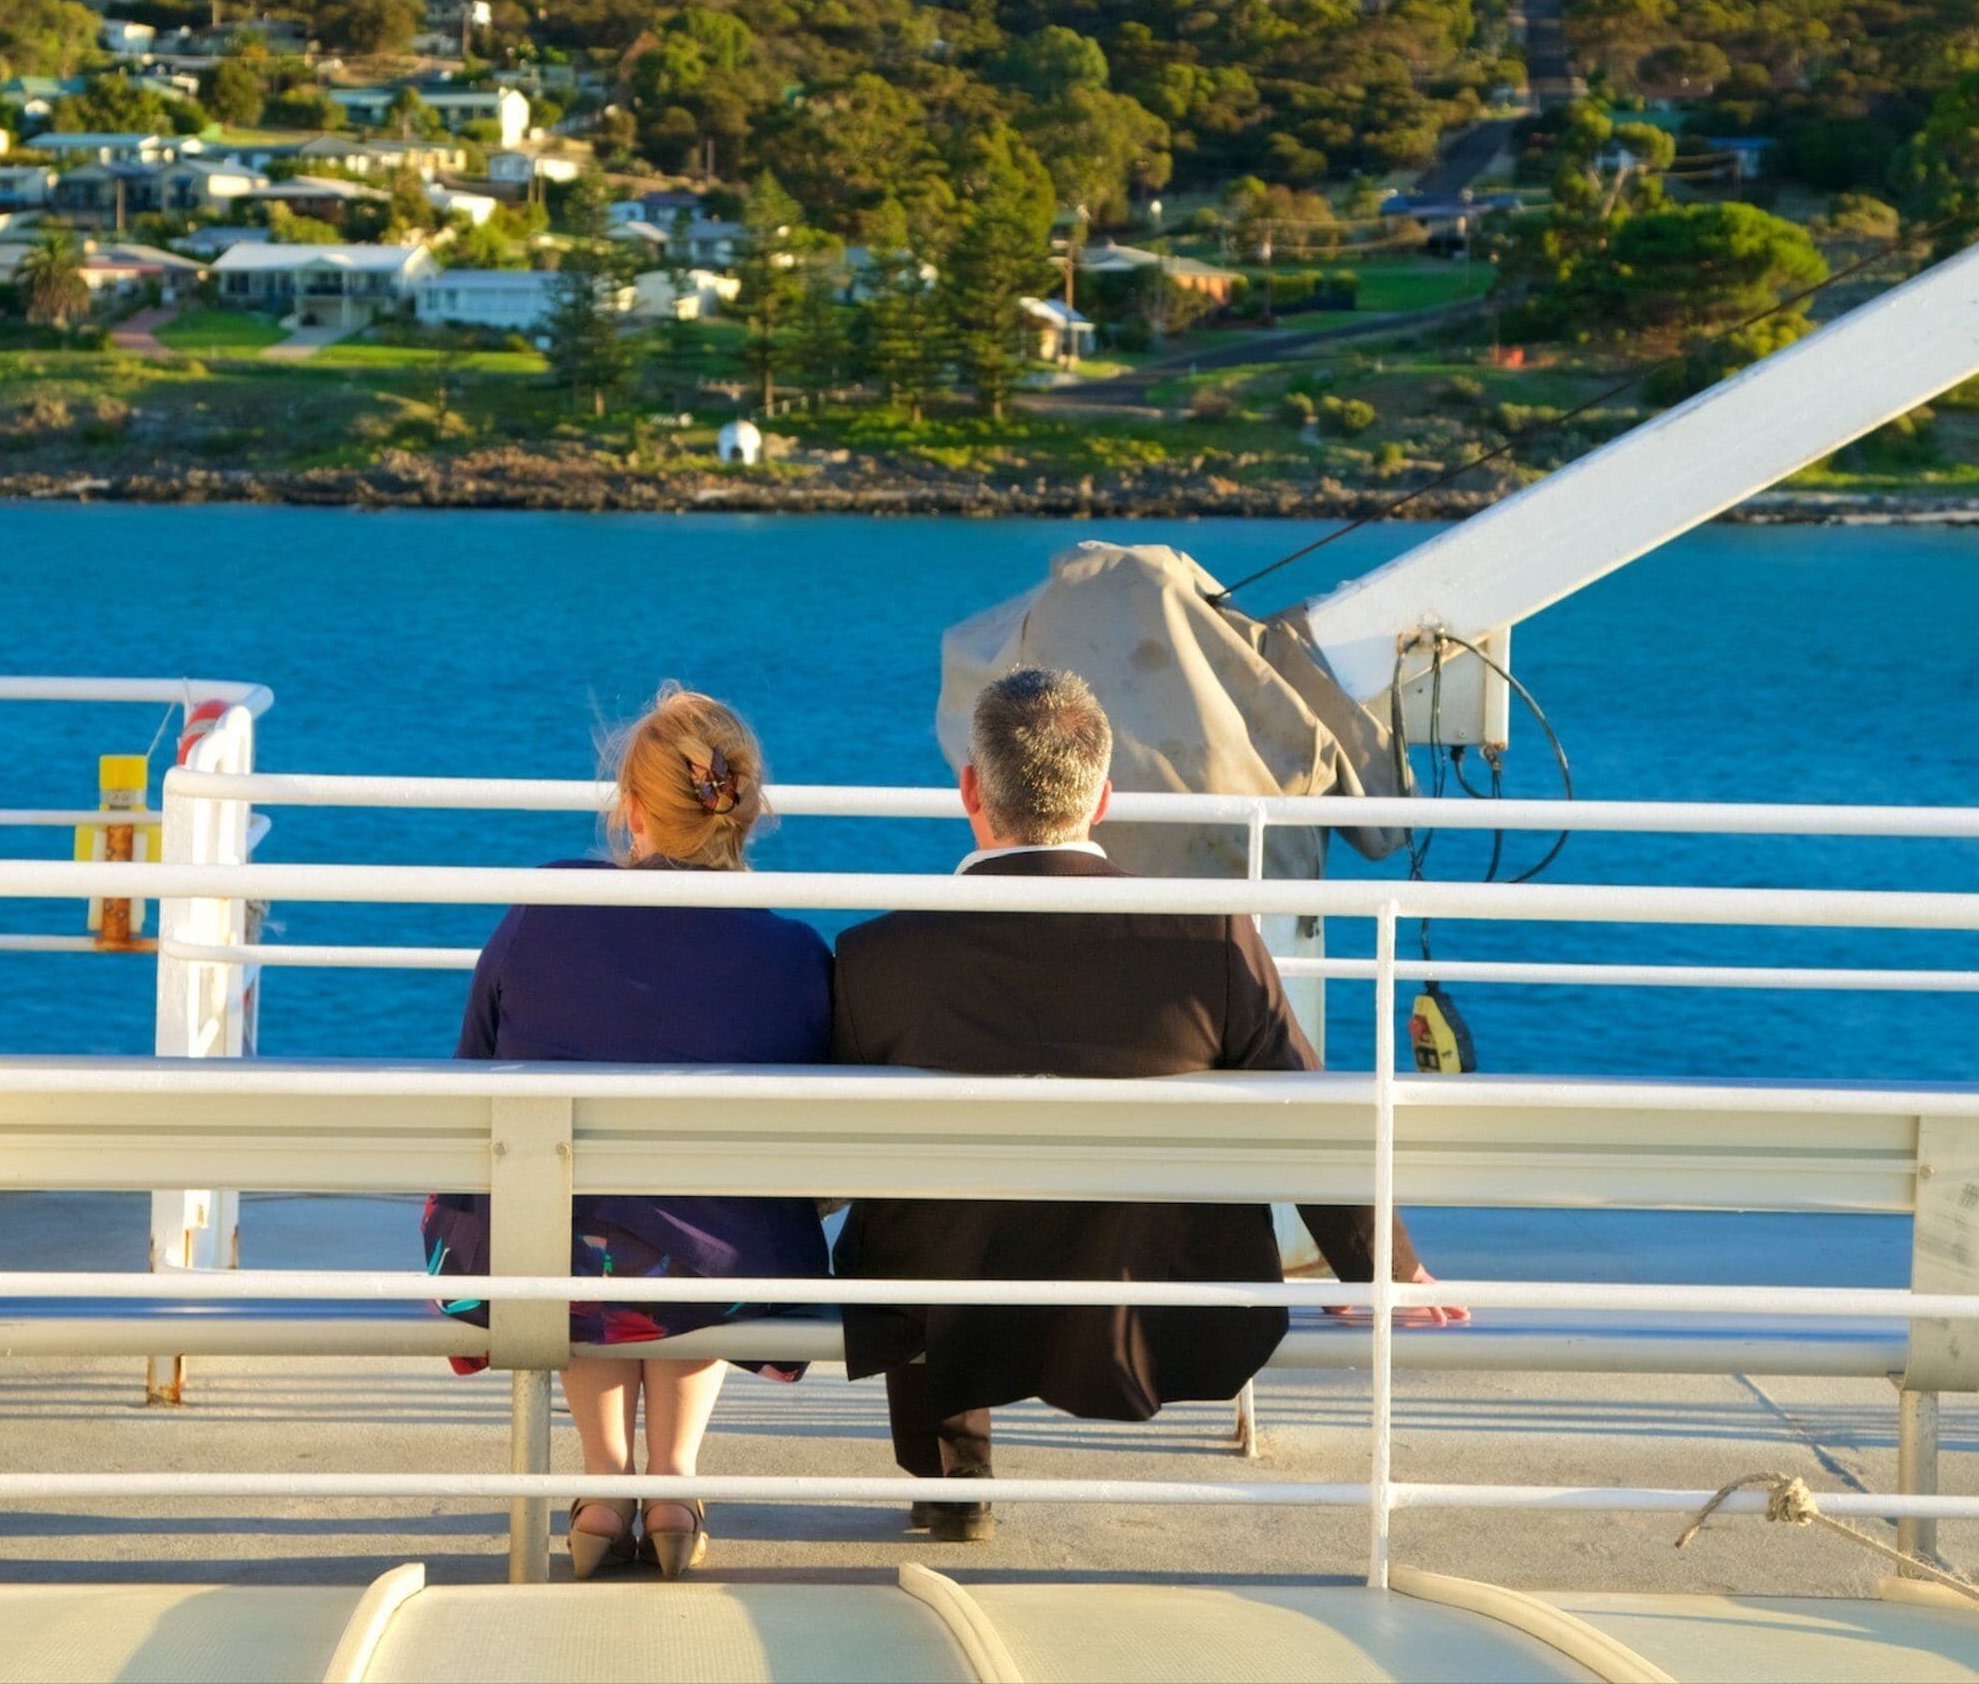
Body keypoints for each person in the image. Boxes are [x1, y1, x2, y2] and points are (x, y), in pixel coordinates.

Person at [830, 666, 1454, 1542]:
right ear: (1105, 798)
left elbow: (829, 1162)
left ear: (971, 789)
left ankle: (954, 1480)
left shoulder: (876, 958)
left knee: (916, 1217)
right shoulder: (1209, 937)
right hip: (1151, 1304)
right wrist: (1381, 1264)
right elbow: (1309, 1112)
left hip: (955, 1297)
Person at [421, 687, 832, 1580]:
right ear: (747, 815)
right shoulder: (796, 952)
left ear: (632, 809)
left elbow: (472, 1072)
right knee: (711, 1214)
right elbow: (814, 1156)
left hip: (549, 1245)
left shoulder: (547, 907)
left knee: (568, 1210)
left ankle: (606, 1485)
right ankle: (674, 1484)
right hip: (725, 1260)